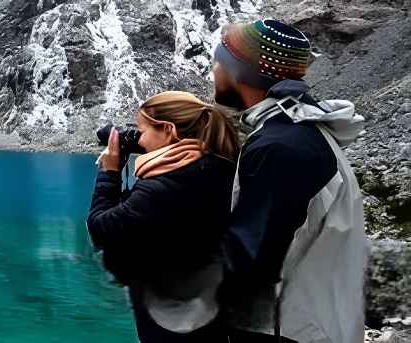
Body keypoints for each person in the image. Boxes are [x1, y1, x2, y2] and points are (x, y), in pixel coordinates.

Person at [212, 19, 366, 342]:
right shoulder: (302, 134)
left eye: (221, 61)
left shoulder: (279, 148)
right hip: (317, 323)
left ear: (244, 72)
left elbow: (249, 258)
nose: (214, 69)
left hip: (288, 331)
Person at [87, 91, 237, 342]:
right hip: (208, 308)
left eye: (142, 131)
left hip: (170, 318)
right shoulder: (217, 163)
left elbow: (101, 227)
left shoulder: (163, 186)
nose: (140, 141)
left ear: (169, 130)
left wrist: (109, 172)